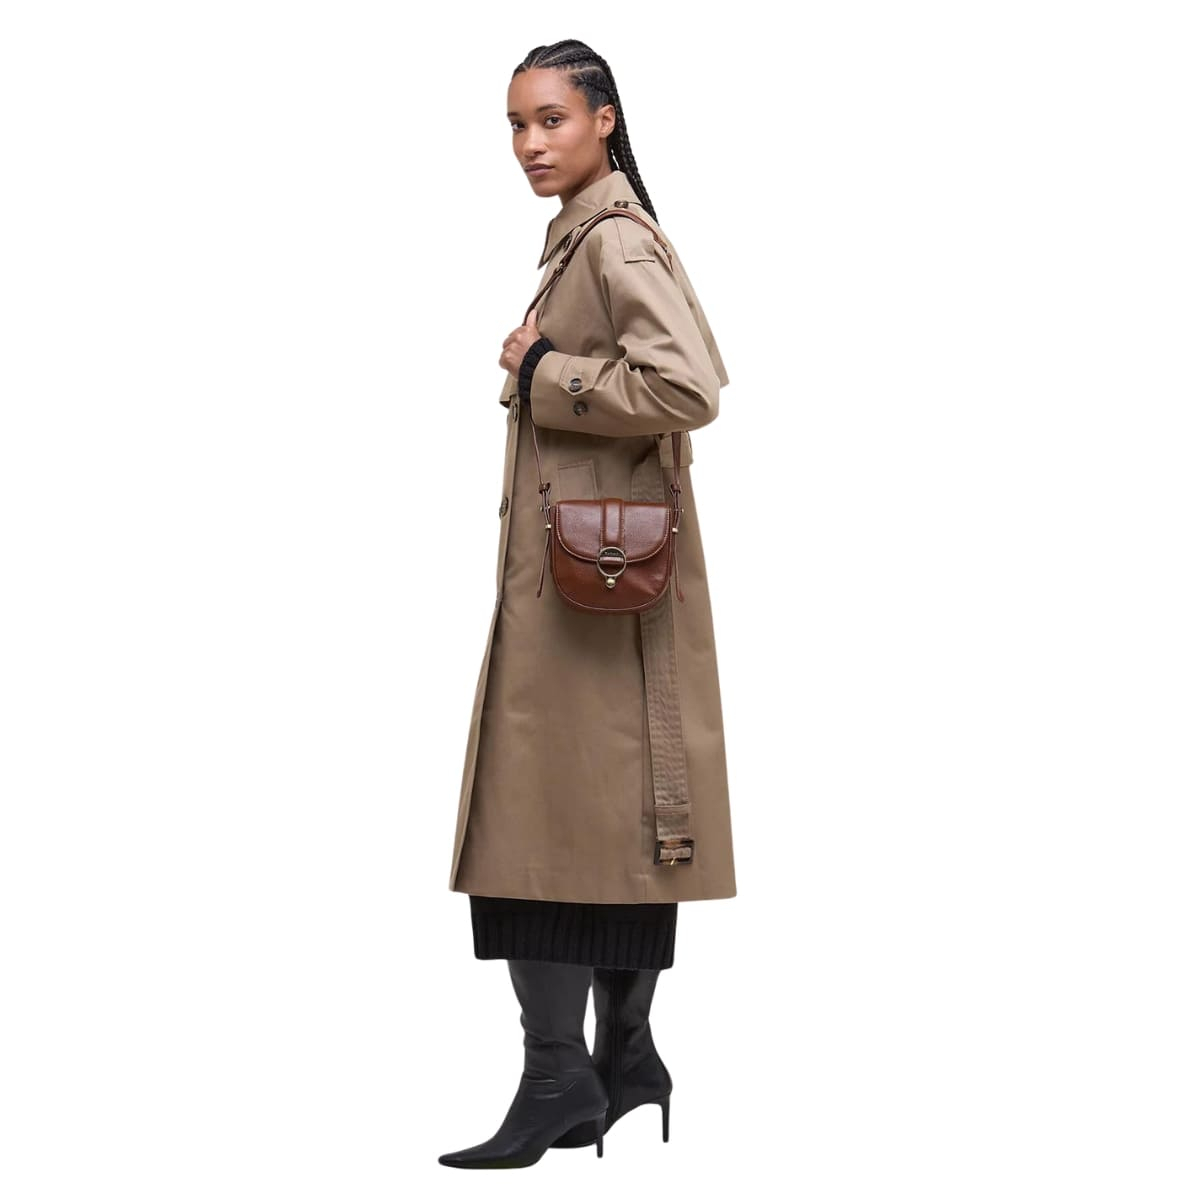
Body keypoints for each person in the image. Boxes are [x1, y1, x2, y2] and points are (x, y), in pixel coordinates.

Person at [439, 39, 736, 1170]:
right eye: (516, 125)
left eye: (551, 120)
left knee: (541, 825)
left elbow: (688, 387)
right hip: (600, 579)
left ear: (605, 120)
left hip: (594, 588)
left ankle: (561, 1078)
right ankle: (624, 1060)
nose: (529, 144)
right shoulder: (591, 234)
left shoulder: (612, 238)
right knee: (610, 825)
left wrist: (541, 370)